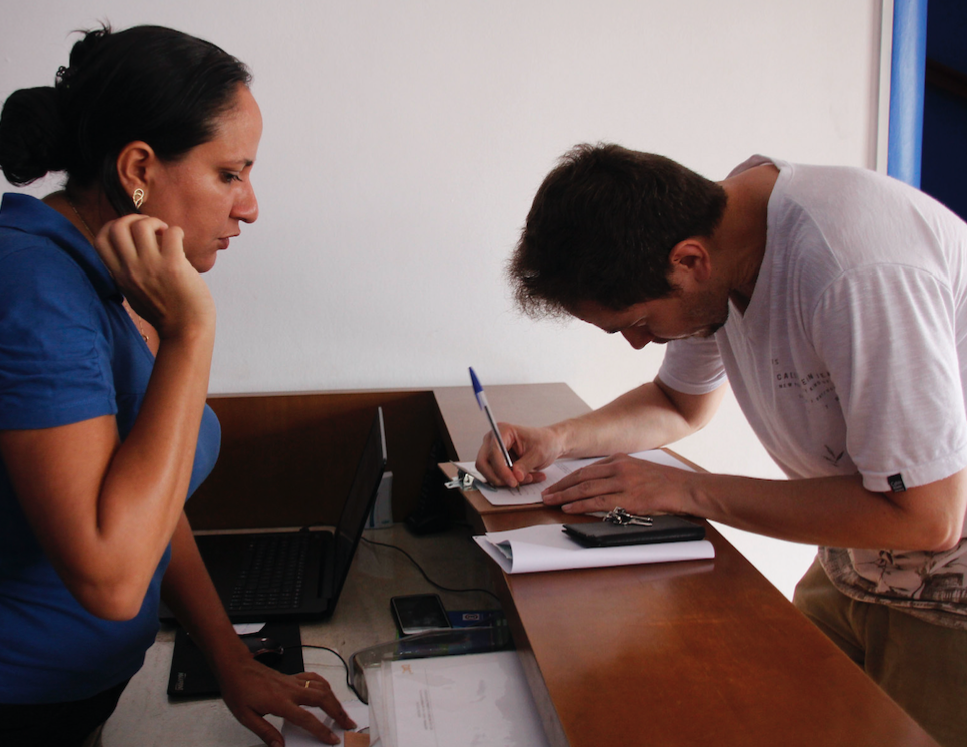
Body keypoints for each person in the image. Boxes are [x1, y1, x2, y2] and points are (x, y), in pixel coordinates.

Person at [476, 143, 967, 747]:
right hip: (856, 557)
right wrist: (560, 439)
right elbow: (679, 402)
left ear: (689, 261)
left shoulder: (856, 272)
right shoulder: (723, 233)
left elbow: (929, 517)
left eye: (638, 321)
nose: (636, 343)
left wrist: (688, 490)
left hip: (951, 593)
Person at [0, 25, 354, 747]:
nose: (249, 205)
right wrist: (193, 331)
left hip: (77, 694)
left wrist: (228, 653)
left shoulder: (111, 273)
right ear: (138, 167)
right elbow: (112, 577)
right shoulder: (36, 288)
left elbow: (147, 497)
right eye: (230, 173)